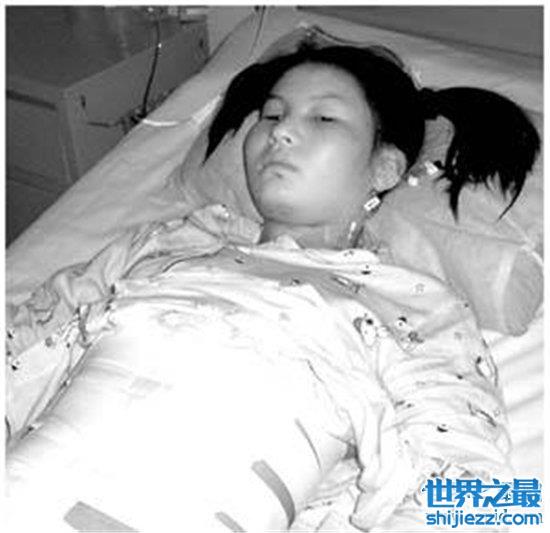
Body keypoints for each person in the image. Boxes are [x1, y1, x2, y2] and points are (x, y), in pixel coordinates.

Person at [5, 43, 538, 530]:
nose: (280, 132)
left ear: (384, 168)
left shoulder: (413, 303)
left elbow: (475, 494)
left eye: (323, 117)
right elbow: (25, 336)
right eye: (272, 114)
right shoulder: (170, 241)